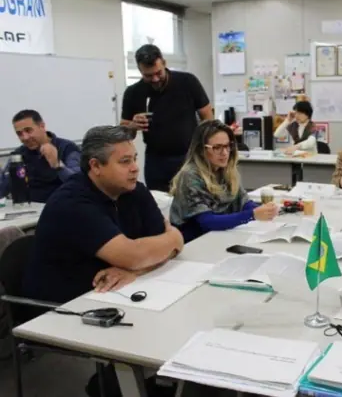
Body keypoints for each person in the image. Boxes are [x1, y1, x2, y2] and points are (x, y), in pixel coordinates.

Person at [22, 125, 184, 305]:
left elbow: (163, 251)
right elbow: (133, 256)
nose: (135, 168)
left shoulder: (134, 190)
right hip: (62, 308)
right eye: (124, 161)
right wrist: (174, 237)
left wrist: (136, 270)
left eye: (134, 159)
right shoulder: (72, 203)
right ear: (96, 166)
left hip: (111, 296)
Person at [120, 44, 213, 192]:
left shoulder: (187, 82)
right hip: (156, 161)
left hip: (189, 156)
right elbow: (123, 133)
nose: (155, 79)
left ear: (164, 63)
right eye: (148, 75)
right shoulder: (133, 93)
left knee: (194, 200)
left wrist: (206, 149)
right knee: (159, 204)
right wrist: (132, 126)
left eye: (158, 73)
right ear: (140, 70)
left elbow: (208, 118)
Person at [170, 120, 278, 243]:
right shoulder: (190, 176)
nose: (225, 153)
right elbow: (207, 221)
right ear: (201, 150)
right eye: (217, 148)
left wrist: (266, 210)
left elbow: (244, 203)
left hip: (220, 236)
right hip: (195, 242)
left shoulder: (226, 170)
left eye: (227, 146)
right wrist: (253, 215)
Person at [0, 109, 80, 202]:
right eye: (19, 134)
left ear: (42, 126)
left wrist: (58, 165)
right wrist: (10, 175)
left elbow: (79, 184)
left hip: (62, 206)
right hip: (30, 210)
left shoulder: (66, 148)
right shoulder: (18, 155)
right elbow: (2, 191)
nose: (25, 137)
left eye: (28, 130)